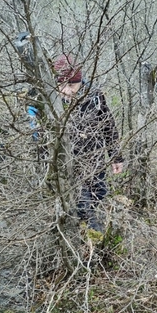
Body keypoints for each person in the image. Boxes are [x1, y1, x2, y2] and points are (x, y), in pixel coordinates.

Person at [53, 54, 124, 232]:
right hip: (70, 166)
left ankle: (95, 237)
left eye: (71, 85)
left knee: (99, 194)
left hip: (95, 160)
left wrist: (116, 156)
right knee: (82, 205)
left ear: (80, 81)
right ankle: (87, 240)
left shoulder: (94, 96)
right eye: (62, 85)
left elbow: (108, 125)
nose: (67, 91)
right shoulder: (52, 102)